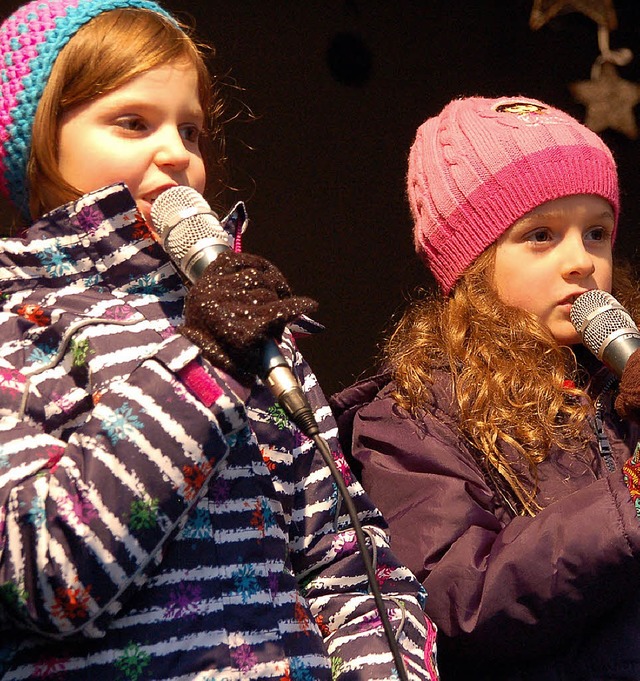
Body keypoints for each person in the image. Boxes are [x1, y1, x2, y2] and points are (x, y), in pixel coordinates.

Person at [0, 1, 439, 679]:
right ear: (38, 143)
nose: (176, 152)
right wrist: (201, 365)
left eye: (192, 130)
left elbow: (350, 564)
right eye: (133, 122)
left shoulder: (248, 331)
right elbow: (47, 576)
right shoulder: (17, 332)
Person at [330, 95, 640, 680]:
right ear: (471, 265)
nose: (581, 261)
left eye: (596, 233)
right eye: (541, 236)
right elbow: (459, 598)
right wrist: (631, 502)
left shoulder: (624, 381)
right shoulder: (409, 416)